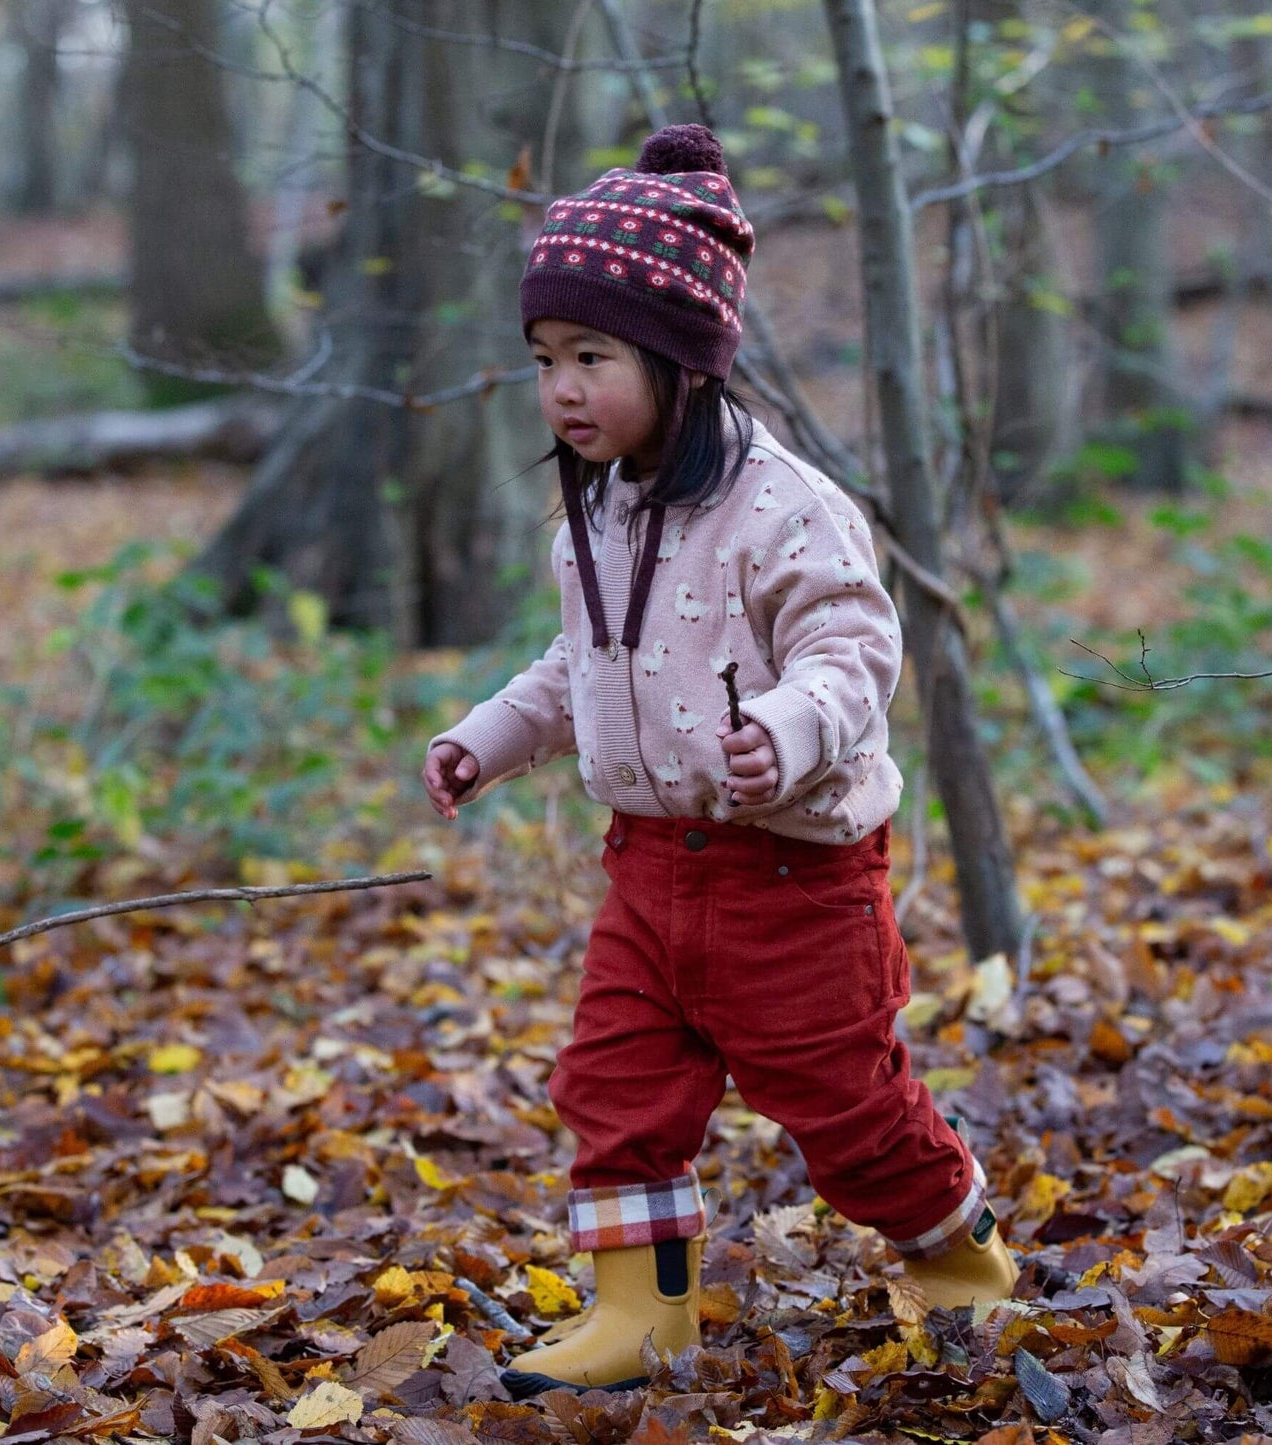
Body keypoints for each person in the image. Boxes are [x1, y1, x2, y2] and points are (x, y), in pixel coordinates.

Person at [422, 123, 1017, 1398]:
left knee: (846, 1112)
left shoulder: (783, 507)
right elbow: (577, 661)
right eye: (542, 360)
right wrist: (490, 735)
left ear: (682, 359)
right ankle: (643, 1312)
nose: (561, 389)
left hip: (792, 878)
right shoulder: (600, 505)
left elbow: (853, 648)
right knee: (615, 1081)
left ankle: (959, 1254)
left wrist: (790, 730)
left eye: (590, 356)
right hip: (649, 870)